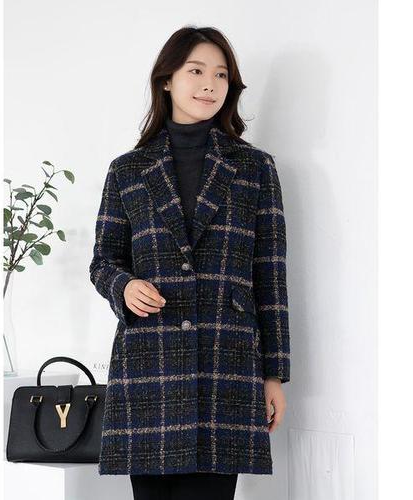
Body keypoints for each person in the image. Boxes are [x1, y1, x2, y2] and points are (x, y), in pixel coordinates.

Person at [89, 26, 290, 500]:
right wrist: (124, 286)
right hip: (149, 365)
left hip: (226, 364)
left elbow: (270, 275)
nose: (210, 84)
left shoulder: (254, 168)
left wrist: (274, 374)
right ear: (167, 80)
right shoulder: (128, 170)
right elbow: (103, 259)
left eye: (221, 75)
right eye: (196, 71)